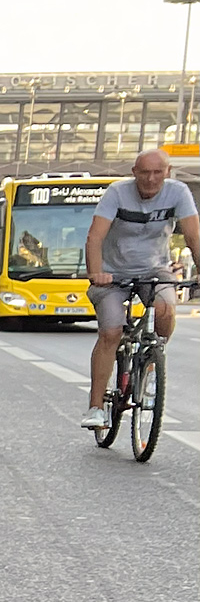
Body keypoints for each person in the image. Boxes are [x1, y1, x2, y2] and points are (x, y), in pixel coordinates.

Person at [81, 148, 200, 429]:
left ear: (168, 173)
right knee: (111, 332)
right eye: (144, 172)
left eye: (158, 172)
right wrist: (96, 272)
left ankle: (150, 364)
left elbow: (194, 236)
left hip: (154, 269)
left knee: (166, 309)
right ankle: (96, 407)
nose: (151, 179)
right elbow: (95, 236)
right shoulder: (117, 193)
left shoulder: (178, 193)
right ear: (134, 173)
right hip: (112, 273)